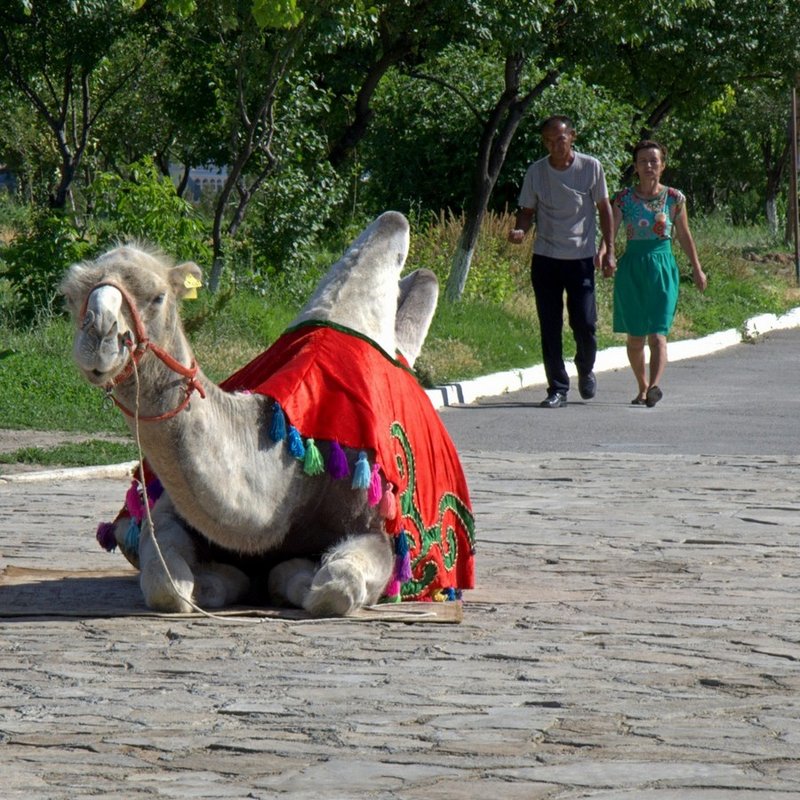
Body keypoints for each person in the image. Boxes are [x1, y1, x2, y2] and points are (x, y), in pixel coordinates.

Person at [509, 115, 617, 408]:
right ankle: (557, 387)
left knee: (585, 322)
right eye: (548, 140)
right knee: (550, 324)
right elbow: (527, 211)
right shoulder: (536, 172)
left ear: (573, 137)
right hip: (546, 258)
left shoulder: (590, 167)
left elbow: (604, 208)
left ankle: (585, 366)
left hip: (580, 258)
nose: (555, 145)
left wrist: (608, 248)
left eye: (560, 138)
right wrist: (521, 229)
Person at [603, 140, 707, 407]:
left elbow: (684, 234)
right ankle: (642, 386)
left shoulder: (674, 198)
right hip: (633, 266)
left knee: (658, 332)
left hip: (663, 265)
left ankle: (655, 385)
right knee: (635, 334)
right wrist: (606, 252)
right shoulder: (623, 198)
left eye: (654, 161)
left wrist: (696, 268)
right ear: (635, 167)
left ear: (663, 165)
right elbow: (611, 231)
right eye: (643, 161)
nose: (649, 166)